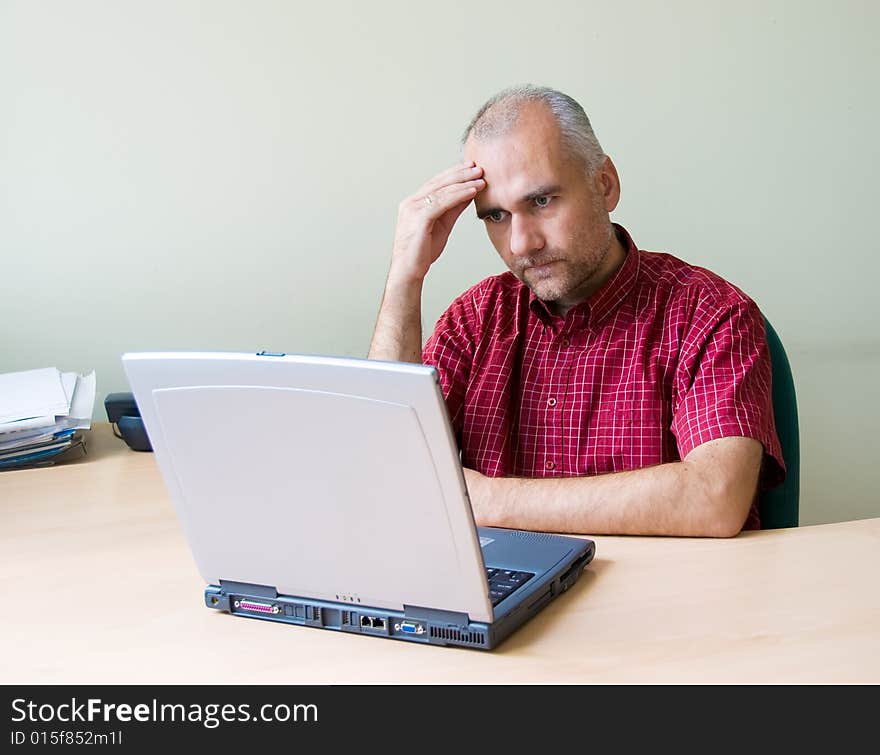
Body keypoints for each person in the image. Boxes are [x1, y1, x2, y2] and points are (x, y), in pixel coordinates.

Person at [369, 85, 784, 537]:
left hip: (663, 599)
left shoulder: (710, 313)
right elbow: (384, 473)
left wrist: (482, 497)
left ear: (604, 184)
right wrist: (404, 279)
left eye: (541, 201)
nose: (521, 243)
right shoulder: (474, 320)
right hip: (505, 602)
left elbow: (714, 498)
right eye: (496, 217)